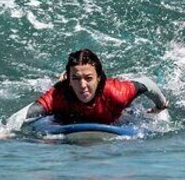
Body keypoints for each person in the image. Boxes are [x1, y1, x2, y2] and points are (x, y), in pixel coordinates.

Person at [10, 48, 167, 128]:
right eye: (76, 79)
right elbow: (27, 112)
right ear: (69, 80)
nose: (82, 86)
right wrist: (4, 131)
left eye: (89, 78)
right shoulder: (60, 94)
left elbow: (148, 83)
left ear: (98, 78)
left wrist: (160, 105)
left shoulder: (116, 92)